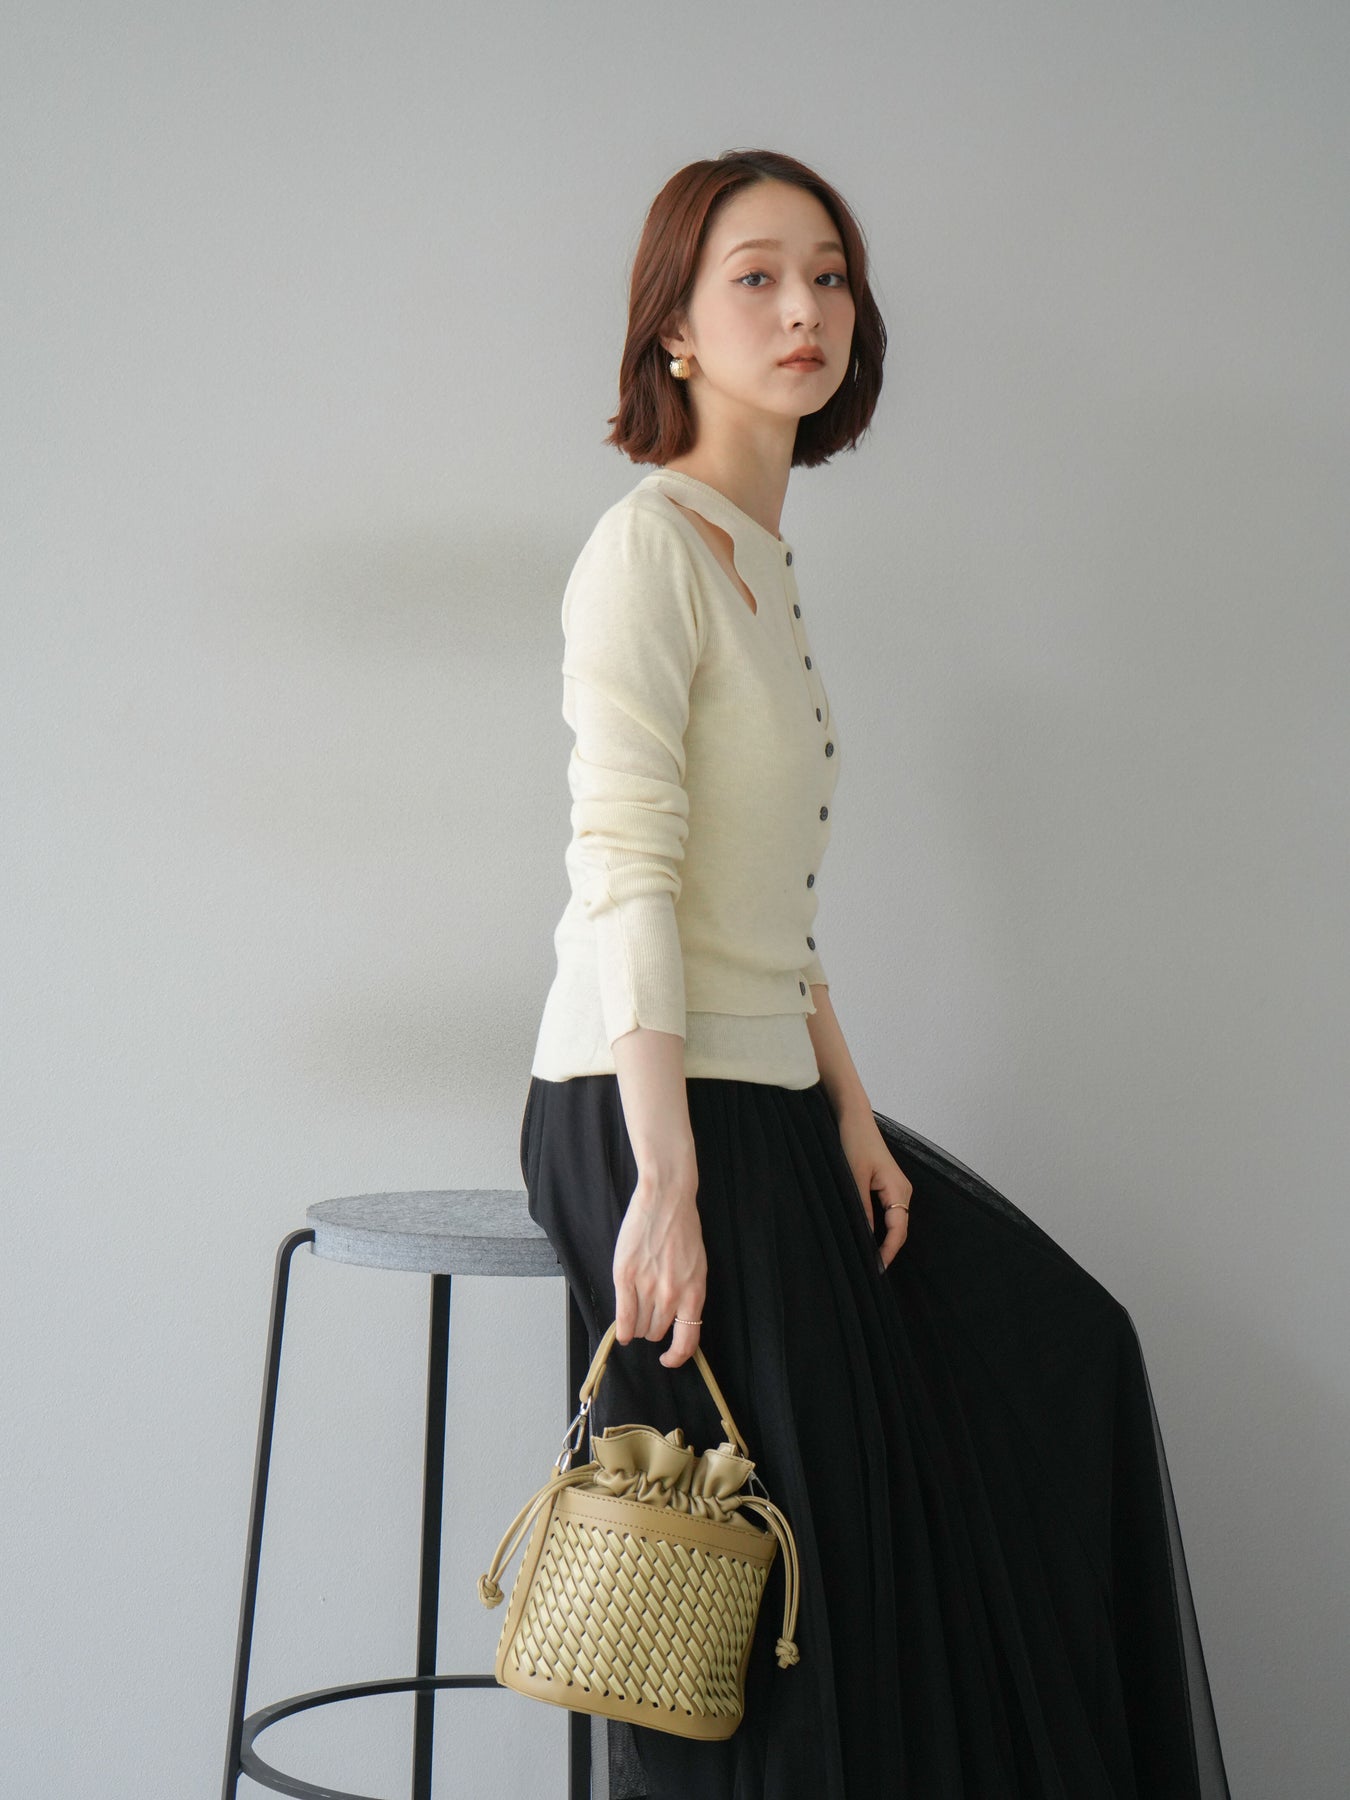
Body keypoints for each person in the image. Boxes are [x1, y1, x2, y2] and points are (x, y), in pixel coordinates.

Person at [519, 147, 1231, 1799]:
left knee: (1055, 1361)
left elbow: (768, 907)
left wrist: (850, 1111)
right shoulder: (644, 550)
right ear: (674, 330)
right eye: (756, 277)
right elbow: (626, 871)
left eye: (828, 275)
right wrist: (666, 1178)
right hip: (646, 1099)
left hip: (768, 1096)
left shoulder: (757, 559)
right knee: (770, 1605)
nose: (806, 309)